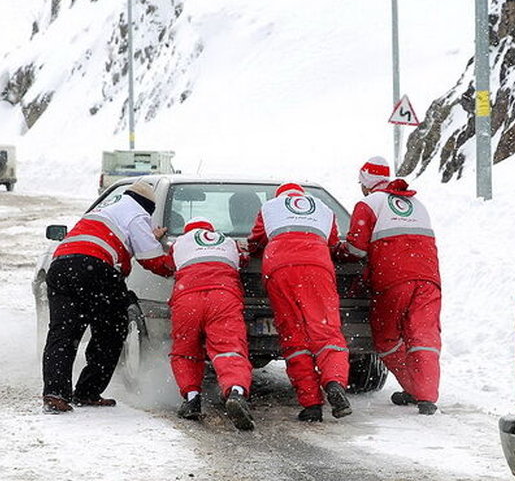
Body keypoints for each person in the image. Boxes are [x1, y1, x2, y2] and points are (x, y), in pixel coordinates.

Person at [41, 178, 174, 413]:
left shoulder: (106, 210)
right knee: (111, 331)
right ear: (148, 207)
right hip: (96, 269)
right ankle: (87, 392)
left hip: (61, 266)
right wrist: (178, 269)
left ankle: (55, 394)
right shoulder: (138, 216)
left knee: (63, 333)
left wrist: (147, 236)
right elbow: (151, 259)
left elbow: (118, 235)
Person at [246, 182, 351, 422]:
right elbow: (334, 244)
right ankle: (334, 382)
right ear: (302, 196)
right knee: (326, 331)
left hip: (279, 268)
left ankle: (311, 404)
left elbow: (255, 241)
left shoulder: (270, 207)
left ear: (280, 196)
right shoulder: (324, 208)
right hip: (317, 266)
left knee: (293, 337)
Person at [345, 158, 442, 415]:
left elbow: (355, 248)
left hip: (393, 280)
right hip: (428, 280)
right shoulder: (417, 204)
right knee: (424, 336)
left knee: (387, 337)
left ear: (366, 183)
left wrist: (339, 251)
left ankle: (413, 386)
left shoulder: (368, 204)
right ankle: (426, 396)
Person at [167, 217, 255, 431]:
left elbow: (166, 265)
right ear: (211, 230)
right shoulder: (227, 241)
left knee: (186, 350)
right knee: (229, 349)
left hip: (187, 297)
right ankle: (235, 391)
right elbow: (244, 259)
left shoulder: (179, 243)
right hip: (223, 296)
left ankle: (192, 398)